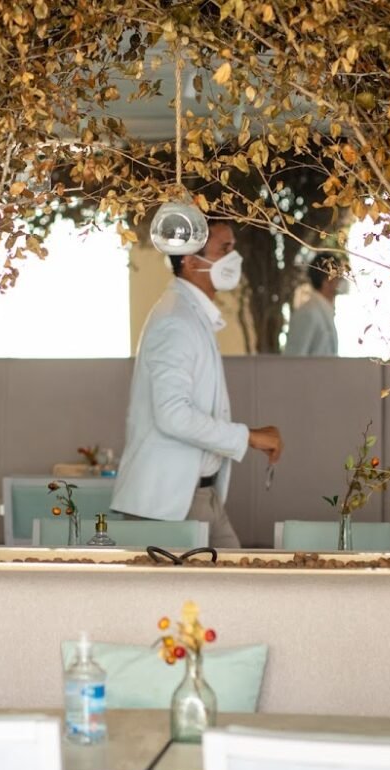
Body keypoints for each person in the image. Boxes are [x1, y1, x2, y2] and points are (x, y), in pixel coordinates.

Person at [110, 219, 283, 548]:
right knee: (230, 578)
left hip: (198, 496)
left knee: (236, 577)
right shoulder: (176, 321)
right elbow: (172, 415)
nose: (234, 258)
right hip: (171, 504)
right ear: (190, 262)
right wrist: (247, 437)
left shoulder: (188, 315)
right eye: (224, 249)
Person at [283, 253, 346, 357]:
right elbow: (294, 359)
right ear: (326, 281)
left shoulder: (322, 311)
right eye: (338, 278)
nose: (341, 282)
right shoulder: (308, 313)